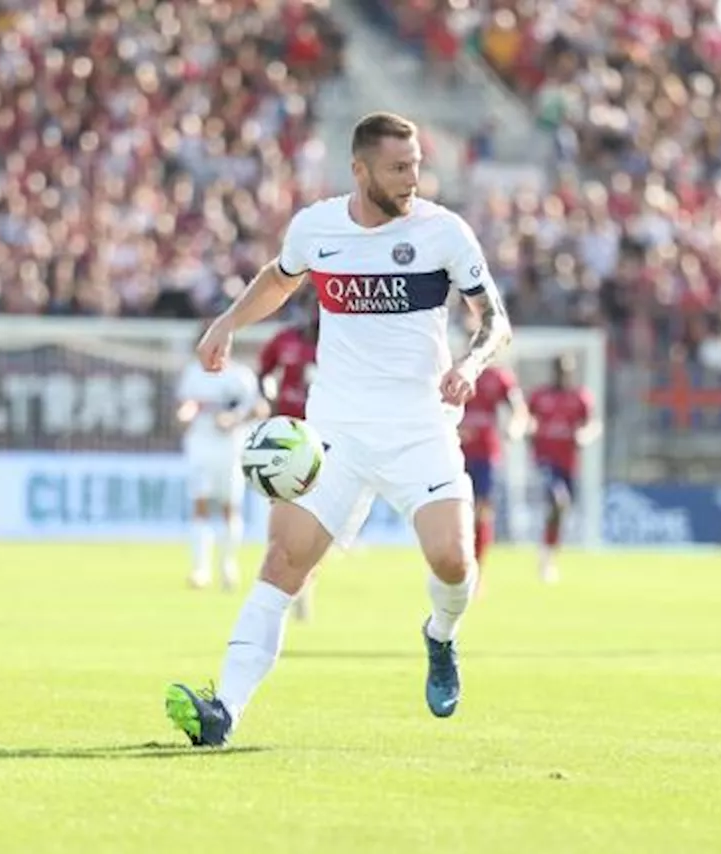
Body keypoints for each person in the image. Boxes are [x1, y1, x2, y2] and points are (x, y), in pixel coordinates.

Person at [165, 111, 512, 746]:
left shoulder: (443, 232)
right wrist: (227, 323)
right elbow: (279, 278)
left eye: (416, 166)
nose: (413, 179)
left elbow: (494, 319)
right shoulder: (317, 227)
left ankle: (440, 636)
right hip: (337, 433)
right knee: (281, 563)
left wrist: (471, 361)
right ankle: (224, 712)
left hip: (419, 428)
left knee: (454, 562)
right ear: (360, 170)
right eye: (397, 168)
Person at [177, 356, 268, 590]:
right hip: (200, 446)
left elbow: (259, 408)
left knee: (230, 507)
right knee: (200, 504)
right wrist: (185, 414)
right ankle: (201, 569)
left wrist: (233, 419)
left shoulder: (241, 376)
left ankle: (228, 565)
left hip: (230, 449)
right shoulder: (194, 373)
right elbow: (188, 404)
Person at [256, 306, 320, 621]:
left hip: (323, 440)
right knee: (282, 515)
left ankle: (306, 584)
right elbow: (263, 372)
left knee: (317, 520)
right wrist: (268, 402)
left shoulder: (339, 345)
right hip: (285, 438)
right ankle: (280, 580)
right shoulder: (285, 341)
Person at [526, 354, 599, 583]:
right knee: (559, 501)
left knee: (561, 509)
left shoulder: (580, 397)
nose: (563, 375)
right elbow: (527, 418)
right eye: (559, 370)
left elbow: (593, 424)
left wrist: (584, 436)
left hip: (568, 462)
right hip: (546, 461)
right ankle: (547, 558)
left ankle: (548, 555)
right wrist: (529, 430)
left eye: (567, 371)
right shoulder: (540, 396)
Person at [457, 359, 527, 592]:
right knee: (457, 514)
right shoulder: (454, 369)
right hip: (456, 453)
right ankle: (455, 567)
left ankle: (477, 570)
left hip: (486, 455)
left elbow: (517, 408)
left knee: (482, 513)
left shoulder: (498, 376)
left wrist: (515, 427)